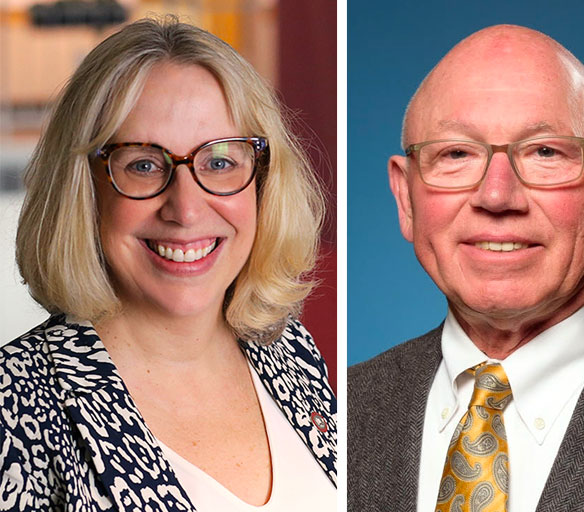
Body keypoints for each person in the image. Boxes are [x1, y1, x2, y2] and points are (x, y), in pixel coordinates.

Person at [0, 17, 336, 510]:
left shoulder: (287, 350)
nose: (186, 209)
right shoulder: (14, 404)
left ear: (263, 182)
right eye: (142, 164)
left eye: (220, 162)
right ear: (82, 188)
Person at [348, 25, 584, 511]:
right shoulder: (343, 412)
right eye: (456, 154)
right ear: (405, 198)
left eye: (545, 152)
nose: (496, 195)